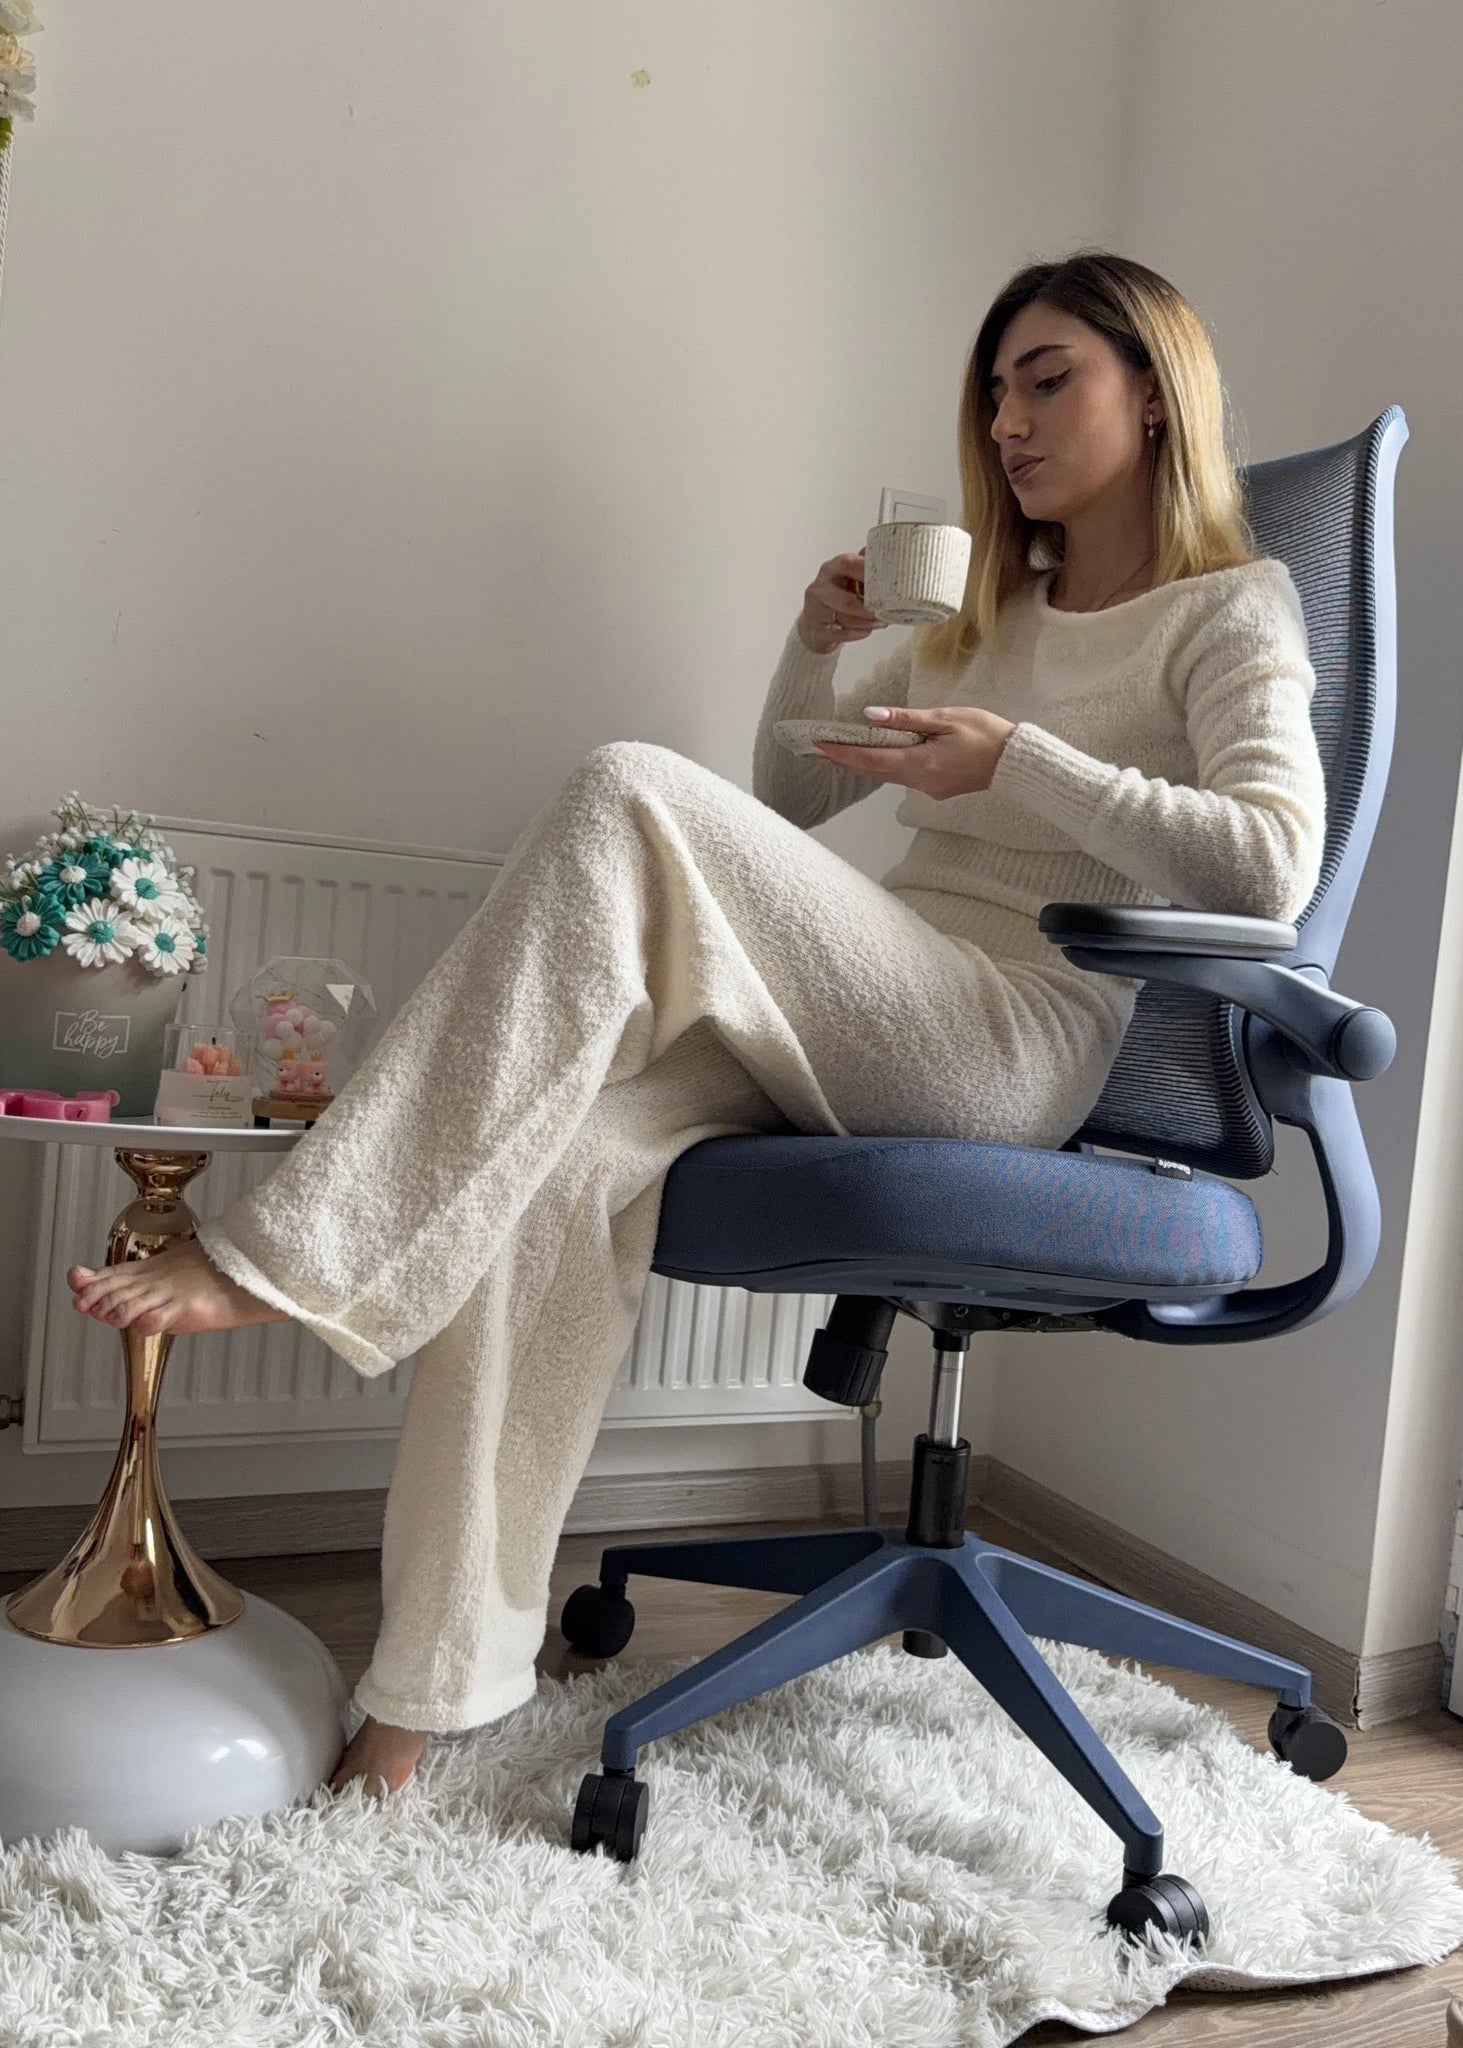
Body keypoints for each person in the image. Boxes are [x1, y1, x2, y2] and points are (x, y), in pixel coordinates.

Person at [64, 248, 1328, 1801]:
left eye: (1047, 378)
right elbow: (791, 794)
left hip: (1009, 1039)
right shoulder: (997, 605)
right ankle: (427, 1697)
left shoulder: (1228, 610)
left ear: (1155, 388)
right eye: (994, 388)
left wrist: (1021, 764)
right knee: (560, 1157)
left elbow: (1274, 860)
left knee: (624, 786)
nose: (1005, 419)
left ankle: (300, 1250)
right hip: (872, 1001)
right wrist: (821, 643)